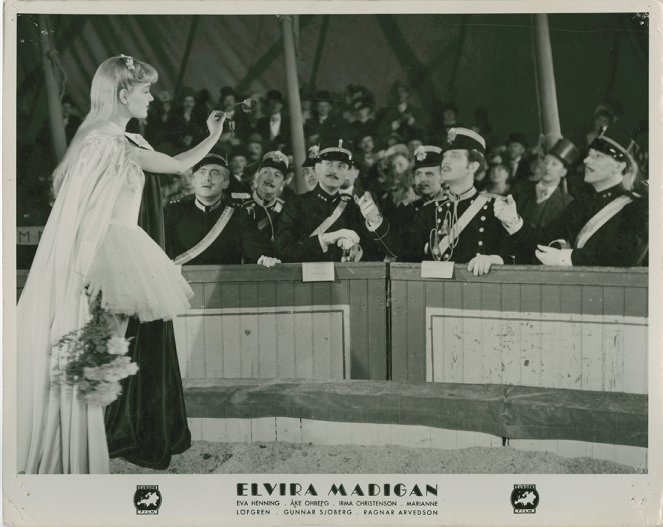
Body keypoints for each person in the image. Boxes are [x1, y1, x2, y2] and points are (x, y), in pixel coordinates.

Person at [17, 55, 228, 474]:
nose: (152, 97)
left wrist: (213, 136)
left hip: (122, 248)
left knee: (102, 353)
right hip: (108, 252)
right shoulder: (105, 142)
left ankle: (87, 441)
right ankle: (72, 446)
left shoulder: (120, 140)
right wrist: (84, 269)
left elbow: (177, 165)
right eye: (146, 90)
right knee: (94, 352)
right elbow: (83, 212)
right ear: (122, 92)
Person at [495, 127, 648, 266]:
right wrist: (513, 221)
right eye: (589, 155)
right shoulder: (581, 203)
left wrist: (567, 258)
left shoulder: (640, 206)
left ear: (619, 166)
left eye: (597, 156)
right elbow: (543, 241)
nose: (587, 160)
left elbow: (627, 255)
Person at [402, 128, 513, 276]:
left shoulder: (495, 207)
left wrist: (496, 259)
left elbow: (521, 254)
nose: (445, 161)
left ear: (472, 166)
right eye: (445, 156)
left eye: (454, 156)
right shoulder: (428, 211)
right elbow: (405, 254)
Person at [275, 139, 399, 262]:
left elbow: (392, 253)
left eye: (341, 166)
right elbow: (282, 252)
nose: (334, 171)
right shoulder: (295, 204)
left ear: (347, 174)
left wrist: (375, 221)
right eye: (329, 163)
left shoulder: (354, 208)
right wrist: (326, 239)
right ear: (318, 168)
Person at [164, 153, 279, 266]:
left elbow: (257, 251)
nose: (207, 178)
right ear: (193, 181)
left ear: (225, 183)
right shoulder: (174, 212)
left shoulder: (239, 215)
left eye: (215, 173)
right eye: (202, 172)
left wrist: (264, 259)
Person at [514, 138, 578, 230]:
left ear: (563, 172)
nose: (547, 167)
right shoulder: (521, 191)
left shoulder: (568, 203)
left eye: (554, 164)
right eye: (546, 162)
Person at [236, 151, 289, 243]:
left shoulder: (287, 211)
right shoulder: (239, 206)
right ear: (257, 177)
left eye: (277, 175)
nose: (270, 179)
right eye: (266, 172)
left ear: (282, 184)